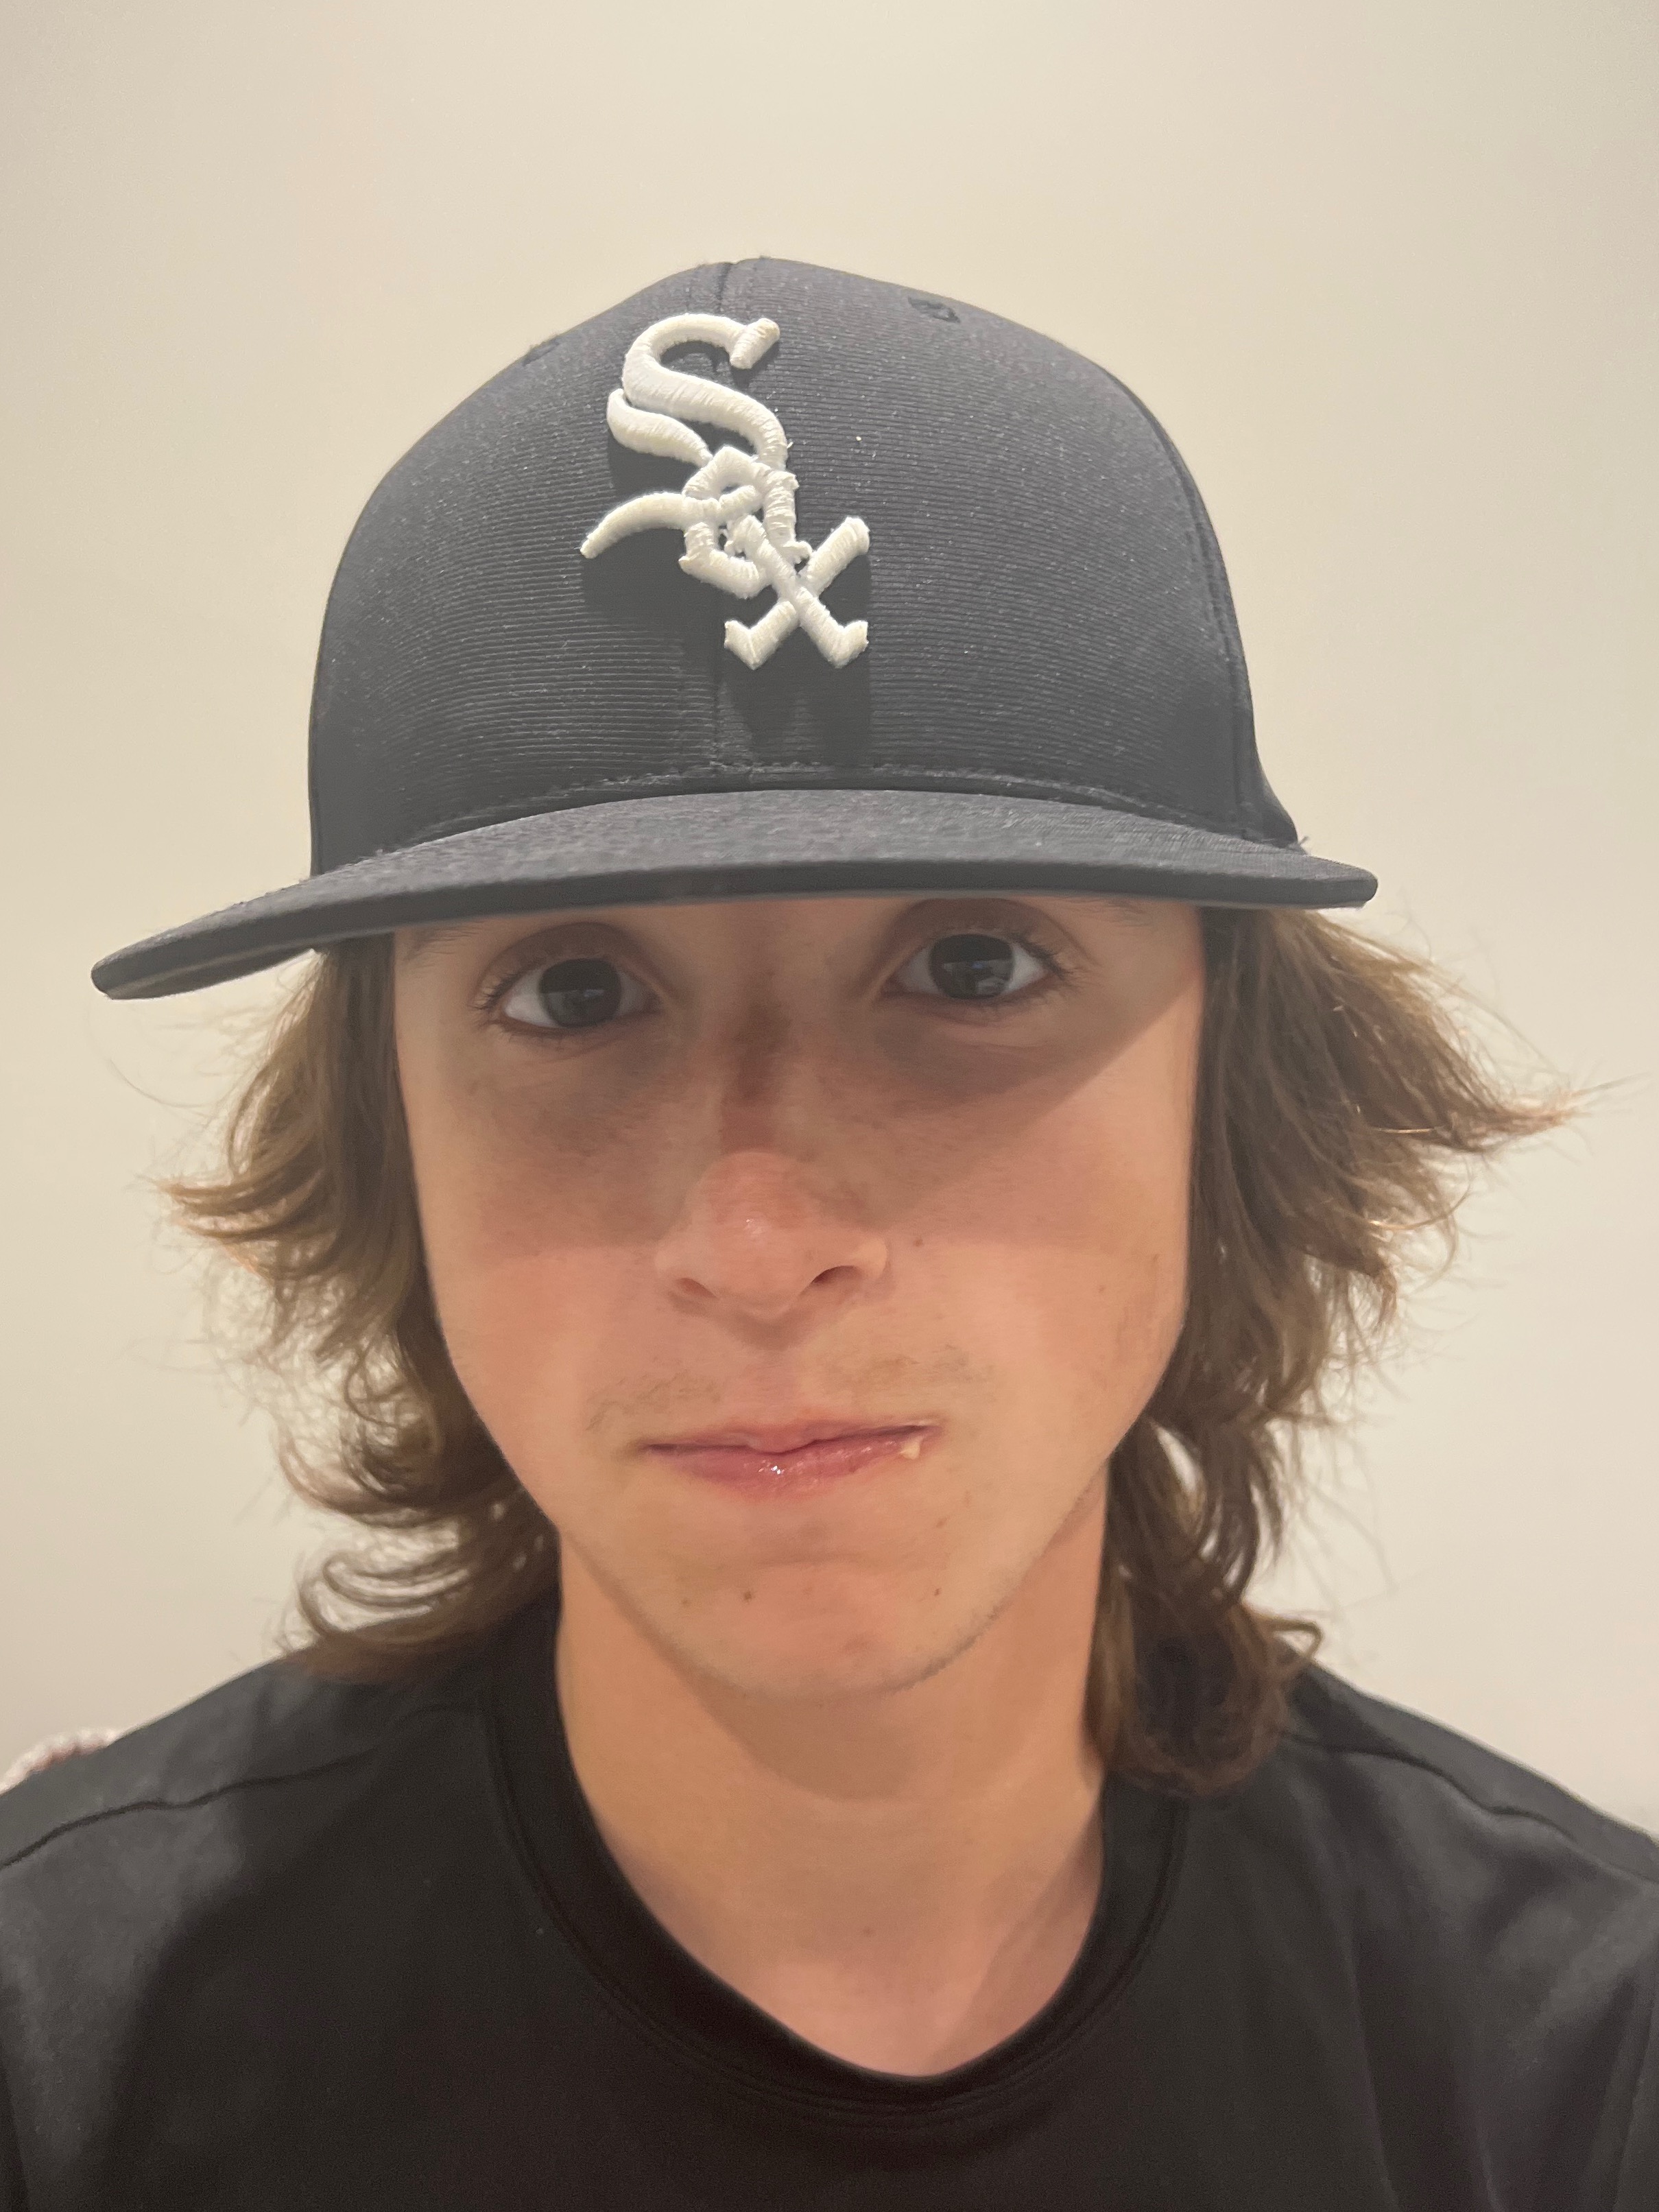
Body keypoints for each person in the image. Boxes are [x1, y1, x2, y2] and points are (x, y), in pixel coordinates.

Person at [1, 259, 1653, 2209]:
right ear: (387, 1133)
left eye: (971, 966)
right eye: (573, 995)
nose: (759, 1237)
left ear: (1234, 1092)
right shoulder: (68, 2038)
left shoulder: (1575, 2068)